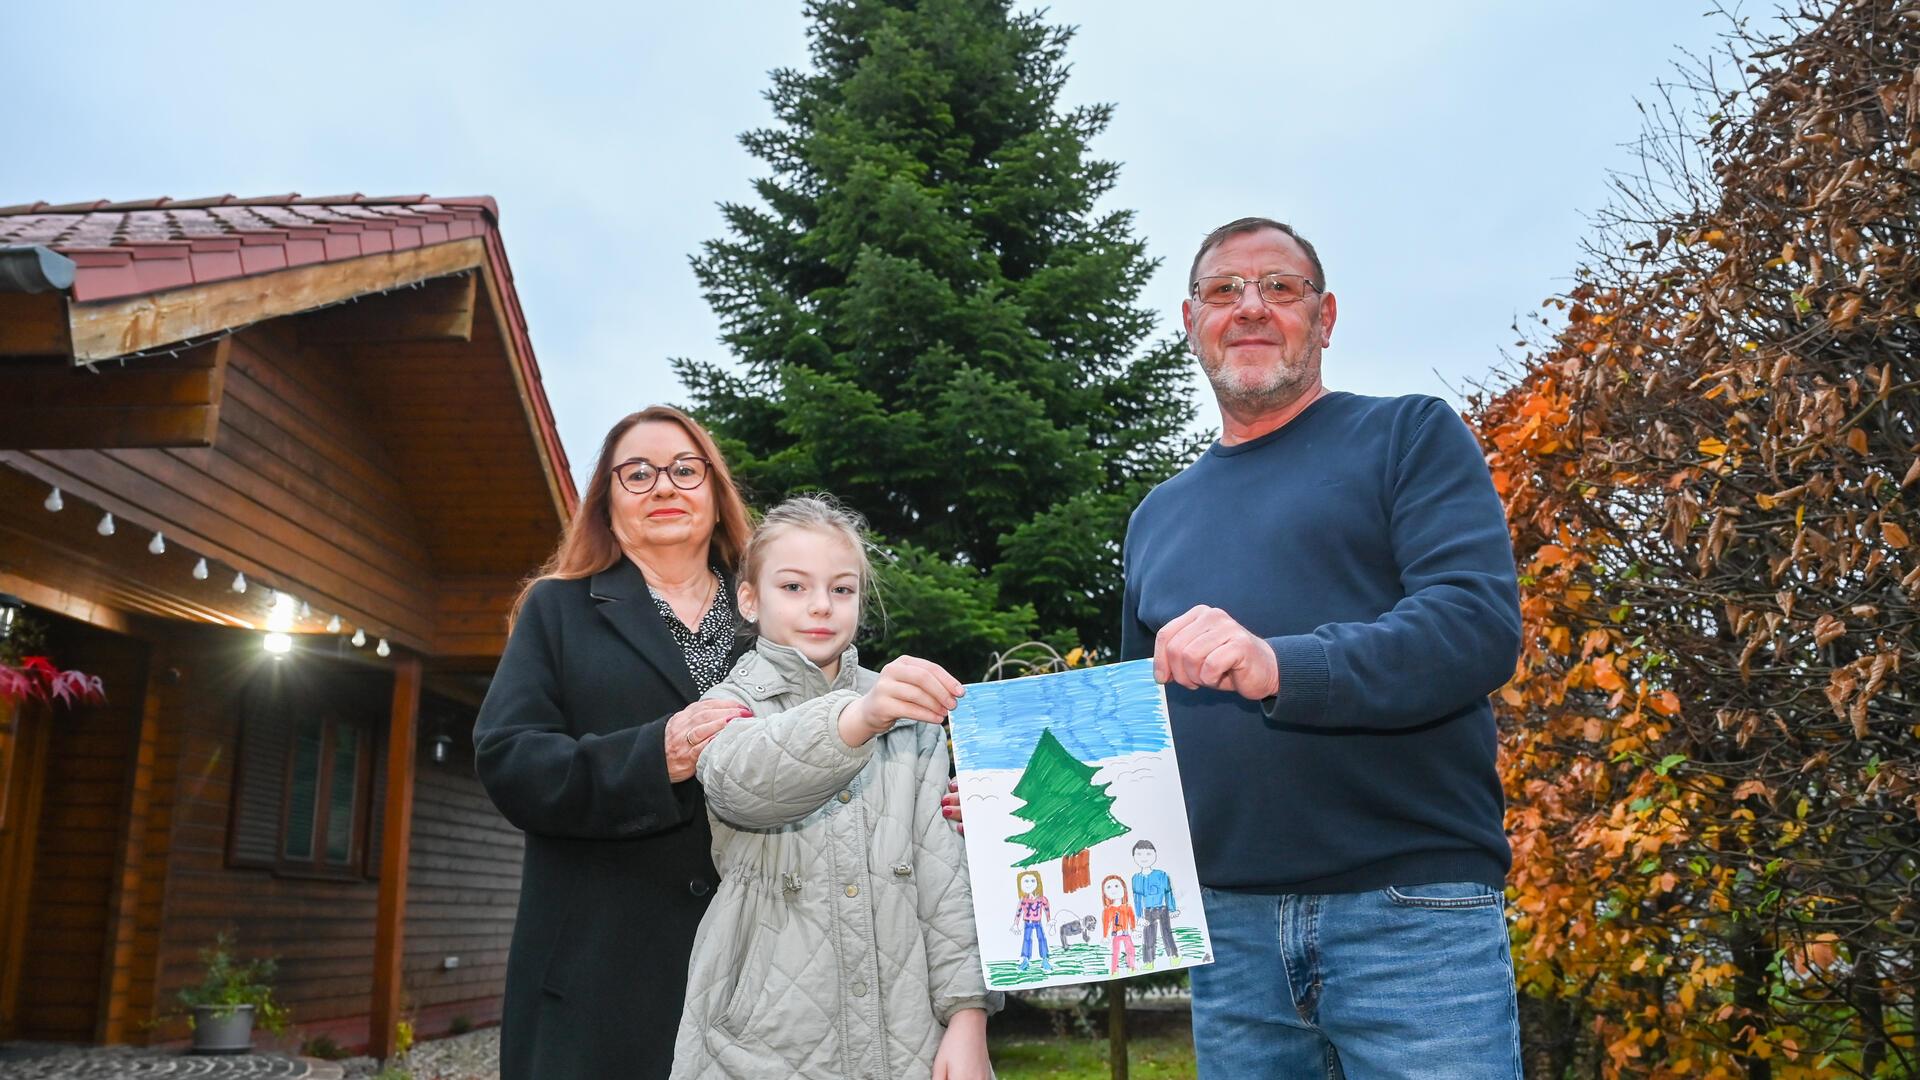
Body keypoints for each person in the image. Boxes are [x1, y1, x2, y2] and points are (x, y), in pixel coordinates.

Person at [1121, 217, 1524, 1077]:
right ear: (1190, 320)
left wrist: (1281, 663)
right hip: (1228, 934)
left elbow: (1475, 625)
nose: (1252, 307)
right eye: (1225, 290)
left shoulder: (1408, 437)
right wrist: (1017, 799)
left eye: (1281, 287)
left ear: (1327, 316)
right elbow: (1135, 724)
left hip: (1410, 911)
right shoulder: (1156, 517)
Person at [474, 406, 758, 1080]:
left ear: (717, 497)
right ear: (608, 506)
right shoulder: (558, 609)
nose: (664, 487)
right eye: (637, 474)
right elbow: (510, 759)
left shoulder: (775, 617)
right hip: (599, 982)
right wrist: (652, 758)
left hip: (758, 971)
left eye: (686, 470)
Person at [670, 496, 995, 1080]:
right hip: (764, 1039)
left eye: (841, 589)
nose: (821, 605)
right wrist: (859, 718)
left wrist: (967, 1018)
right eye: (794, 587)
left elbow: (943, 881)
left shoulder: (909, 715)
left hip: (909, 1032)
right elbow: (742, 785)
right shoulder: (726, 705)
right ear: (749, 599)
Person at [1127, 840, 1179, 969]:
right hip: (1147, 911)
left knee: (1167, 933)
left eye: (1148, 854)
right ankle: (1148, 962)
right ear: (1134, 856)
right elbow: (1137, 899)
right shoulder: (1136, 878)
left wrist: (1172, 909)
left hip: (1162, 908)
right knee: (1148, 935)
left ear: (1155, 854)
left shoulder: (1161, 875)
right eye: (1139, 854)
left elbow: (1168, 892)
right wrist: (1139, 916)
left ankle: (1174, 957)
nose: (1144, 858)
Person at [1009, 870, 1054, 974]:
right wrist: (1015, 924)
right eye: (1026, 881)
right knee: (1027, 939)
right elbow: (1019, 912)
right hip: (1027, 922)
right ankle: (1025, 960)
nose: (1029, 884)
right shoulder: (1023, 900)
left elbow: (1046, 908)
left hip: (1038, 922)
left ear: (1038, 882)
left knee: (1042, 938)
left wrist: (1049, 920)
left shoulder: (1041, 898)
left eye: (1033, 881)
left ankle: (1045, 960)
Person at [1099, 875, 1136, 975]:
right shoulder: (1107, 910)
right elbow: (1106, 923)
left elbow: (1132, 919)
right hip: (1116, 935)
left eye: (1116, 886)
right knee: (1116, 952)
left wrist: (1134, 929)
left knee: (1130, 950)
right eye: (1108, 887)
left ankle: (1132, 968)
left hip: (1126, 934)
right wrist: (1105, 936)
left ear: (1123, 888)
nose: (1113, 890)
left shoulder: (1128, 907)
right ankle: (1114, 971)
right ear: (1104, 893)